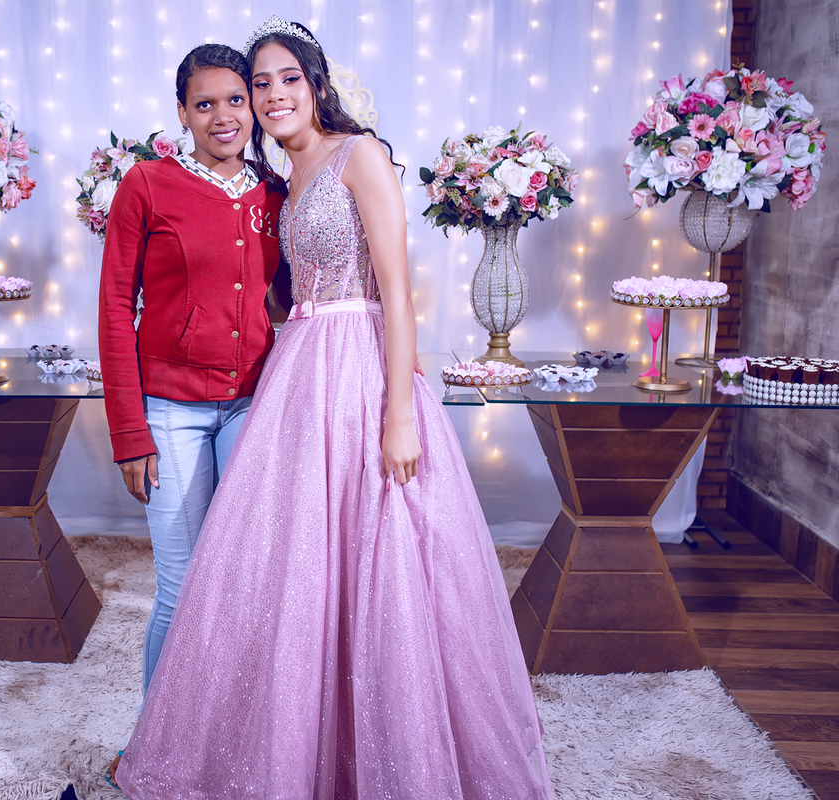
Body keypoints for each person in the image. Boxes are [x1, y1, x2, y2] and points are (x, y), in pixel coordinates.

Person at [115, 17, 553, 799]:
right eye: (260, 84)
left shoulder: (361, 155)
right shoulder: (283, 180)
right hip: (296, 373)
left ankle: (383, 749)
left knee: (376, 563)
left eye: (288, 79)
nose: (272, 95)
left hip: (357, 371)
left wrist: (400, 414)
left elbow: (396, 291)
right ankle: (273, 743)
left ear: (316, 84)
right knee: (282, 571)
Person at [98, 43, 288, 701]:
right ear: (182, 113)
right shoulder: (147, 184)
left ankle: (229, 728)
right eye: (204, 104)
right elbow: (114, 307)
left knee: (246, 580)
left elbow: (289, 300)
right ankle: (157, 741)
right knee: (181, 587)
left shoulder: (275, 191)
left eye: (235, 99)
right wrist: (130, 432)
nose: (223, 116)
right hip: (170, 412)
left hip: (251, 407)